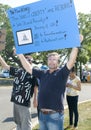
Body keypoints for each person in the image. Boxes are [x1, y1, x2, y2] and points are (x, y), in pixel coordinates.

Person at [18, 35, 83, 130]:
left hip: (55, 116)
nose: (51, 61)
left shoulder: (62, 73)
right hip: (42, 115)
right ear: (47, 61)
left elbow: (71, 61)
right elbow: (28, 68)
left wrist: (76, 45)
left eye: (54, 59)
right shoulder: (42, 73)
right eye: (49, 59)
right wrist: (20, 54)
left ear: (58, 62)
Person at [0, 54, 38, 130]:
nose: (28, 61)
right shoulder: (18, 71)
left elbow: (35, 87)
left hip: (25, 103)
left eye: (30, 60)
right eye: (26, 59)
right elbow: (5, 66)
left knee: (26, 125)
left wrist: (35, 99)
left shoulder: (33, 73)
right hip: (15, 101)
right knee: (18, 123)